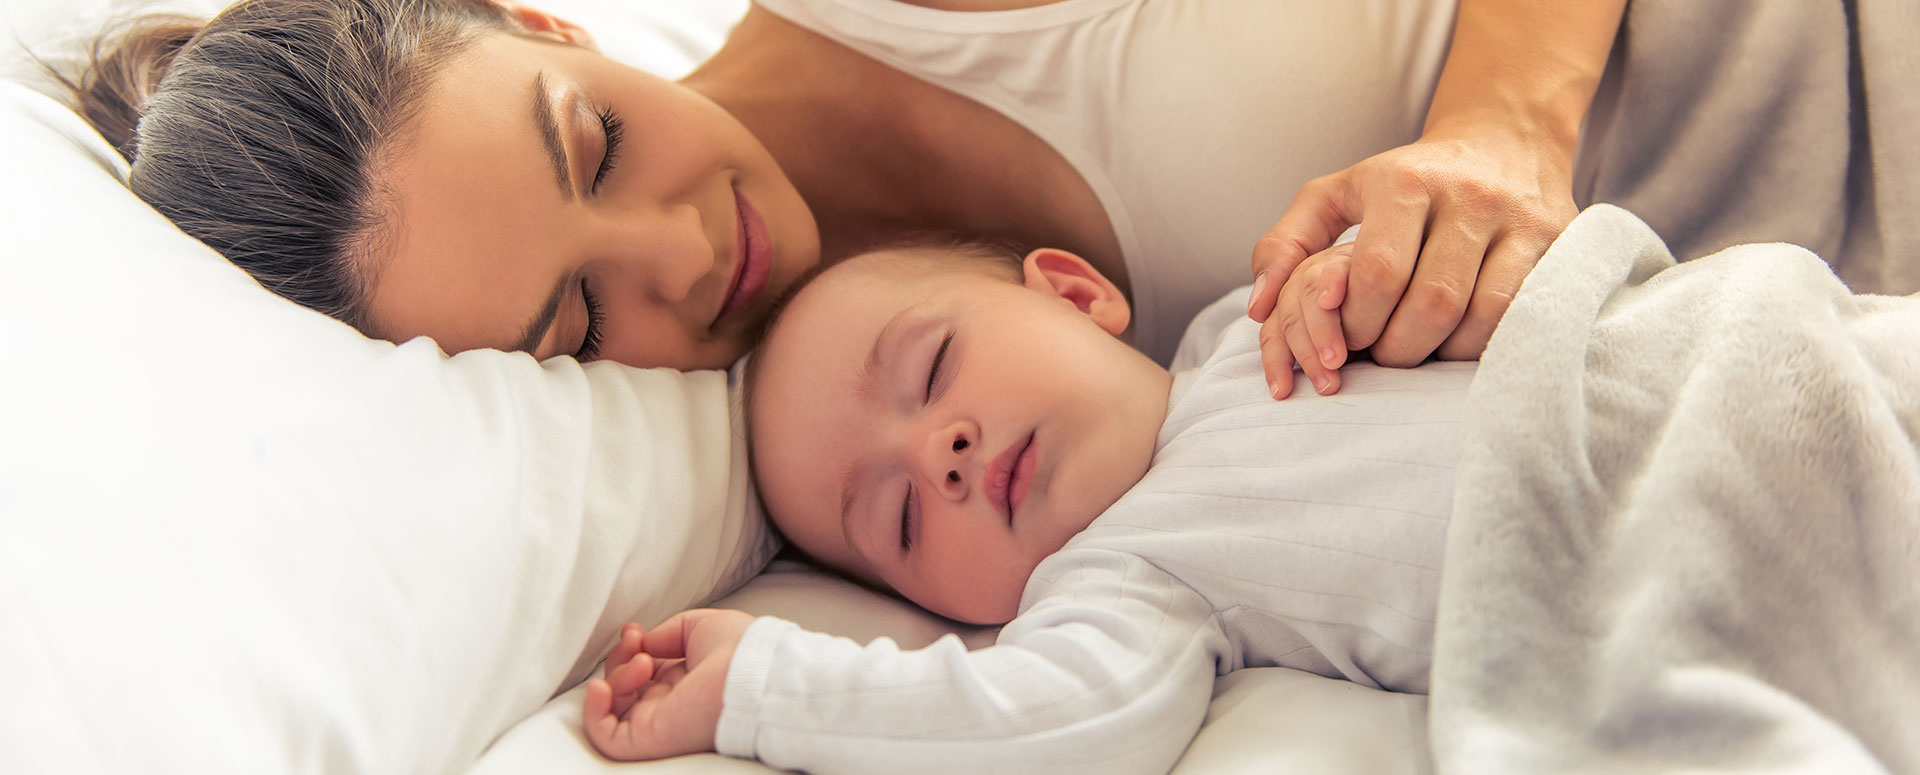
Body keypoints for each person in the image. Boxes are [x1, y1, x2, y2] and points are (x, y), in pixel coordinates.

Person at [58, 0, 1680, 378]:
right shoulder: (850, 418)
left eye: (596, 145)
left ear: (544, 22)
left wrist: (1500, 135)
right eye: (578, 316)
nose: (683, 258)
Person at [580, 239, 1477, 771]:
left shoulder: (1260, 317)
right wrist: (759, 681)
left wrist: (1361, 260)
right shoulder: (1126, 577)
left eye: (931, 368)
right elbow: (1055, 719)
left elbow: (1459, 252)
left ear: (1078, 295)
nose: (939, 456)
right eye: (900, 520)